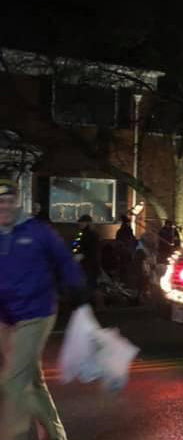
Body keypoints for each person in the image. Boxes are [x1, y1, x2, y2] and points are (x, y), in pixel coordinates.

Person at [0, 179, 88, 440]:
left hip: (37, 313)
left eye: (8, 200)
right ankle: (56, 434)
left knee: (12, 382)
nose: (3, 206)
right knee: (33, 382)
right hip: (6, 317)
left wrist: (78, 290)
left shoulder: (37, 232)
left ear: (16, 203)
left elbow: (63, 260)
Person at [74, 214, 103, 311]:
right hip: (87, 264)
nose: (80, 224)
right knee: (91, 285)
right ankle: (95, 306)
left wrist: (82, 255)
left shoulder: (89, 234)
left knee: (91, 285)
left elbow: (91, 250)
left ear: (87, 223)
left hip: (89, 265)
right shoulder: (85, 233)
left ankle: (97, 306)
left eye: (81, 222)